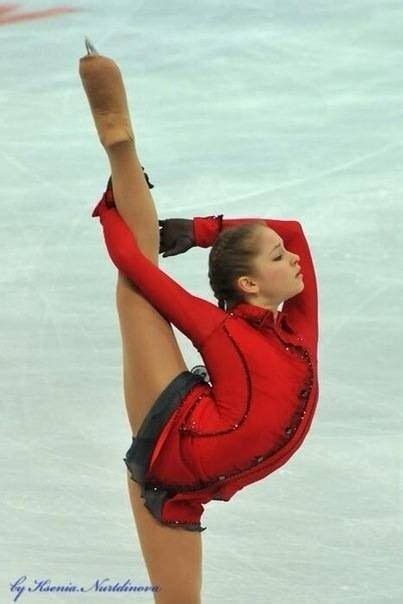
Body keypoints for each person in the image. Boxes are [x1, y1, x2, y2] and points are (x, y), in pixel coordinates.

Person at [80, 42, 319, 604]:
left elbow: (297, 228)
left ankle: (126, 167)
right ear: (249, 285)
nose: (296, 258)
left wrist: (204, 228)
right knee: (138, 292)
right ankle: (122, 157)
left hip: (189, 486)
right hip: (177, 440)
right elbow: (133, 263)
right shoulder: (220, 329)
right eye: (279, 257)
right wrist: (111, 209)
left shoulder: (295, 331)